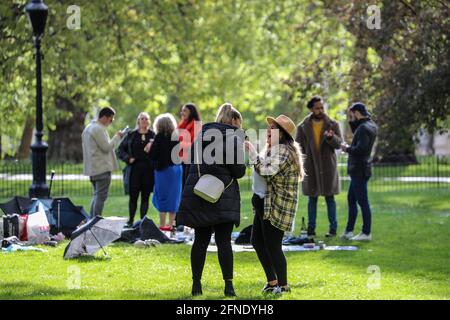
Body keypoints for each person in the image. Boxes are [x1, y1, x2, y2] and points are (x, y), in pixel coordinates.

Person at [177, 103, 246, 297]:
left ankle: (196, 285)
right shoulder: (233, 137)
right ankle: (229, 286)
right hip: (223, 195)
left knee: (200, 241)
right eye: (239, 124)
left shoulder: (201, 135)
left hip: (200, 193)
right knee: (224, 242)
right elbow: (238, 171)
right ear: (233, 121)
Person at [245, 114, 305, 294]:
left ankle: (284, 286)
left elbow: (267, 172)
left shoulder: (284, 151)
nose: (269, 131)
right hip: (265, 203)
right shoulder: (273, 149)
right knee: (257, 241)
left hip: (277, 205)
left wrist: (253, 154)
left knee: (273, 246)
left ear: (283, 134)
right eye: (270, 128)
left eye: (274, 128)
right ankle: (272, 282)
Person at [295, 96, 342, 237]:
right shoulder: (302, 127)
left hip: (328, 167)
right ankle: (311, 229)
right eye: (317, 108)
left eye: (322, 107)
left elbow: (339, 144)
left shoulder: (333, 124)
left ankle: (333, 229)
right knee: (312, 199)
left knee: (330, 199)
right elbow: (298, 147)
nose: (320, 110)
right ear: (311, 109)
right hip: (311, 167)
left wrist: (330, 138)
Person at [340, 102, 378, 241]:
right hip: (363, 168)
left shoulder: (363, 128)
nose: (351, 117)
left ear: (356, 112)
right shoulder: (371, 125)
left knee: (363, 202)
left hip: (359, 170)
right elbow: (357, 131)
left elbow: (360, 149)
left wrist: (347, 148)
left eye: (352, 114)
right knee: (351, 199)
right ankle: (349, 231)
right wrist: (351, 120)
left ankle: (366, 233)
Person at [82, 107, 123, 217]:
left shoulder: (88, 128)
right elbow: (106, 147)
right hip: (101, 168)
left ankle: (92, 220)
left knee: (96, 196)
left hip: (93, 168)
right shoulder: (98, 129)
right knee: (100, 197)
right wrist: (117, 137)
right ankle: (96, 220)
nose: (111, 122)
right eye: (111, 119)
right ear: (104, 117)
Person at [118, 112, 156, 227]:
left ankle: (142, 221)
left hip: (148, 171)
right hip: (134, 170)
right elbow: (120, 150)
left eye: (146, 119)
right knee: (133, 197)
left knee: (145, 197)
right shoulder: (131, 135)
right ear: (138, 121)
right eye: (142, 118)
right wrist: (128, 158)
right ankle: (130, 221)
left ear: (149, 121)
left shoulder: (153, 135)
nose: (144, 120)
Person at [149, 113, 183, 229]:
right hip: (176, 170)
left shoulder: (158, 138)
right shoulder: (176, 137)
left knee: (162, 197)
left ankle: (163, 225)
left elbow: (154, 155)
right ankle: (171, 224)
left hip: (163, 171)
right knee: (174, 197)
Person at [177, 103, 202, 188]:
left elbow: (194, 144)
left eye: (185, 110)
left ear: (191, 112)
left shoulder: (197, 125)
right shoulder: (181, 125)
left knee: (187, 186)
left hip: (190, 160)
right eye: (182, 110)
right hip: (180, 160)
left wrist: (177, 144)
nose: (182, 113)